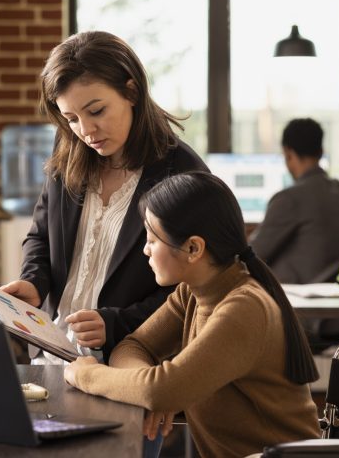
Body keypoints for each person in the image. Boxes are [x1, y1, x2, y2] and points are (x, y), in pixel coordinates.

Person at [64, 171, 321, 458]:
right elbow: (134, 346)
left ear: (193, 248)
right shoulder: (193, 292)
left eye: (152, 239)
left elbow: (161, 388)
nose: (145, 250)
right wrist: (152, 391)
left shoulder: (244, 308)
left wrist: (87, 374)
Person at [1, 31, 208, 363]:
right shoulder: (66, 152)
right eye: (71, 119)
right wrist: (34, 283)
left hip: (128, 365)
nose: (85, 131)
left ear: (132, 91)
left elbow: (195, 288)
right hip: (52, 357)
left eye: (96, 111)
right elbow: (41, 236)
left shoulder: (183, 173)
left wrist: (117, 323)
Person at [249, 118, 339, 284]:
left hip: (295, 300)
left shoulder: (288, 199)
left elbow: (252, 255)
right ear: (321, 151)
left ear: (288, 153)